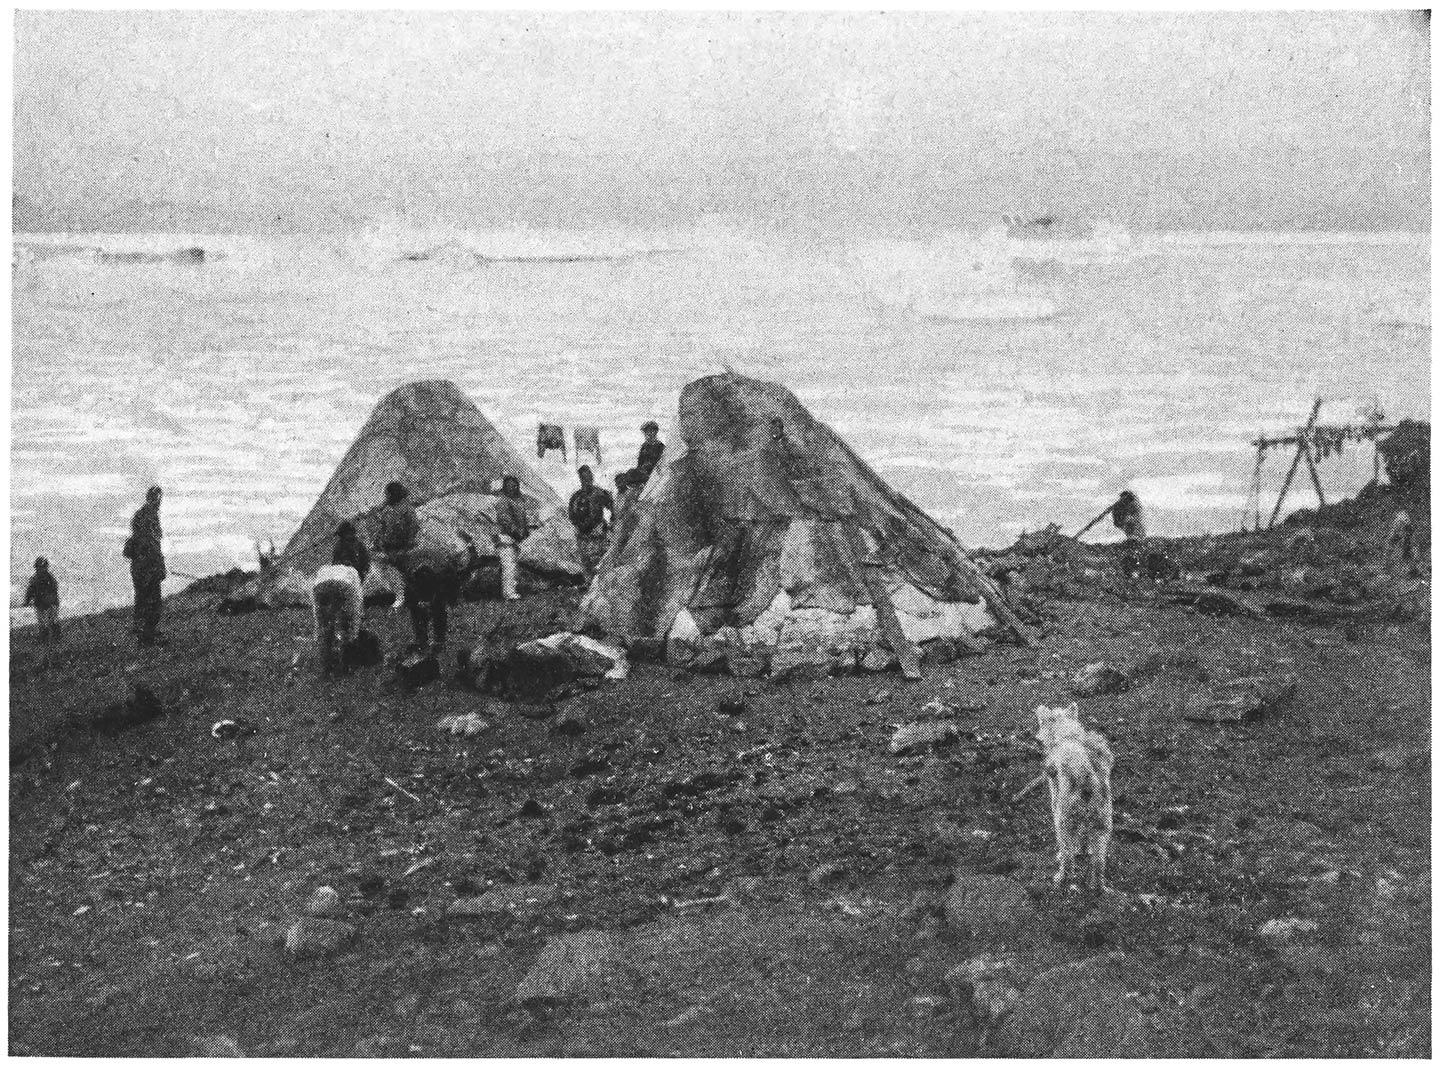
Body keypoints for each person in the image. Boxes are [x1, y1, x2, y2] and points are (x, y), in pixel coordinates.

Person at [126, 486, 167, 645]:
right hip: (148, 567)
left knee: (142, 598)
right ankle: (147, 637)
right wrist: (160, 566)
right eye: (158, 499)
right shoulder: (150, 517)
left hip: (139, 567)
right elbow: (153, 545)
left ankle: (144, 632)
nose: (159, 503)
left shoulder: (140, 515)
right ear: (154, 499)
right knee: (152, 601)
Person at [568, 465, 615, 580]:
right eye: (584, 478)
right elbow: (571, 514)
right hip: (582, 534)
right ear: (580, 479)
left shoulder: (600, 493)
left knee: (599, 559)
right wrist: (579, 525)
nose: (587, 480)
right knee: (586, 561)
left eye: (589, 477)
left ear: (592, 477)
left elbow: (613, 508)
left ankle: (600, 582)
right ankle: (588, 582)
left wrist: (611, 523)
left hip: (597, 532)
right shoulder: (576, 496)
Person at [494, 475, 530, 601]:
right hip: (505, 536)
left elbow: (523, 519)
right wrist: (517, 532)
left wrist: (524, 531)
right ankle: (509, 593)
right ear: (505, 487)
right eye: (509, 486)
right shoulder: (503, 501)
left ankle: (511, 591)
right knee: (508, 565)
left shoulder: (518, 500)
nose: (512, 488)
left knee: (512, 565)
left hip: (514, 538)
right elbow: (505, 520)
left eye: (514, 486)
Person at [615, 420, 666, 500]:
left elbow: (661, 464)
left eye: (651, 432)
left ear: (655, 432)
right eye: (646, 433)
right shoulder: (644, 446)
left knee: (630, 474)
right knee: (619, 477)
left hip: (651, 474)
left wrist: (646, 469)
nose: (648, 435)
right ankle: (622, 497)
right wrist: (639, 470)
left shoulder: (660, 447)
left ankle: (627, 497)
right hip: (642, 472)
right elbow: (639, 463)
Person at [23, 556, 60, 643]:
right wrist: (27, 601)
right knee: (46, 622)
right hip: (44, 603)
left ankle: (52, 639)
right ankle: (48, 639)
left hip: (48, 603)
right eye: (39, 567)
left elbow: (30, 590)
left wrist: (27, 601)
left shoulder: (46, 578)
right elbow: (30, 590)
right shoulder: (41, 578)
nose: (41, 569)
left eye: (42, 567)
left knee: (49, 621)